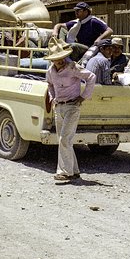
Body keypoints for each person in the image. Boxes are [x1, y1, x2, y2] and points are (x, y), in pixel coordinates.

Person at [45, 37, 96, 182]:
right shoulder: (50, 71)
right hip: (59, 107)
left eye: (62, 58)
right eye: (57, 59)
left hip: (72, 106)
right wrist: (52, 97)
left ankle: (64, 172)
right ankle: (74, 171)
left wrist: (83, 97)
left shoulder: (73, 67)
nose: (60, 61)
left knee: (64, 139)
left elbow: (91, 77)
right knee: (66, 140)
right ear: (52, 60)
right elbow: (49, 84)